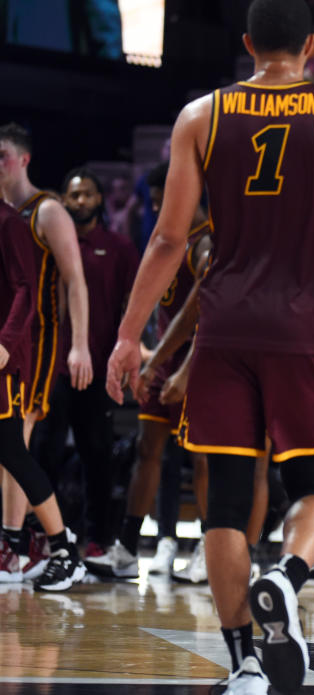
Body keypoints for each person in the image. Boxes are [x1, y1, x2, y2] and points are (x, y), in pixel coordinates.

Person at [105, 2, 314, 693]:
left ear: (245, 45)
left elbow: (169, 241)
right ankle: (286, 575)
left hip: (223, 331)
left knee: (225, 503)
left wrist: (129, 336)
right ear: (312, 45)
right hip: (300, 330)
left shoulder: (198, 117)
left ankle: (242, 663)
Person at [84, 161, 212, 580]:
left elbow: (203, 316)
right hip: (164, 357)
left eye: (164, 201)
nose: (159, 209)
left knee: (201, 458)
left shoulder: (207, 242)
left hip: (200, 359)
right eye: (155, 203)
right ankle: (126, 545)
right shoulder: (166, 240)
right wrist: (143, 350)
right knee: (147, 450)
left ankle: (208, 550)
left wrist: (179, 369)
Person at [0, 122, 93, 580]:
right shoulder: (6, 213)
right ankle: (24, 542)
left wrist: (80, 346)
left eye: (3, 154)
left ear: (23, 159)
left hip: (38, 339)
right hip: (11, 336)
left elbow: (75, 280)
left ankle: (17, 545)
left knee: (17, 444)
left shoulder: (47, 210)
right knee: (11, 447)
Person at [29, 168, 138, 555]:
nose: (79, 202)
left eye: (87, 195)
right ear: (63, 200)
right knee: (44, 453)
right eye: (73, 195)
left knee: (98, 455)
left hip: (99, 364)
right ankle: (43, 538)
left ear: (100, 199)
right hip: (52, 365)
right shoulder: (48, 243)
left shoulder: (121, 248)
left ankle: (98, 540)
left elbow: (132, 305)